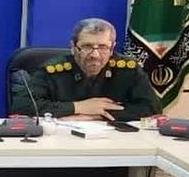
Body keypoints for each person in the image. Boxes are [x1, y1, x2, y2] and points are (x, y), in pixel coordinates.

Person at [12, 17, 161, 121]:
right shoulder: (53, 70)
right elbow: (21, 106)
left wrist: (96, 115)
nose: (95, 55)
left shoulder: (128, 69)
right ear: (73, 47)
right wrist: (77, 107)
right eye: (87, 47)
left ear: (112, 48)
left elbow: (152, 108)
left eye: (103, 47)